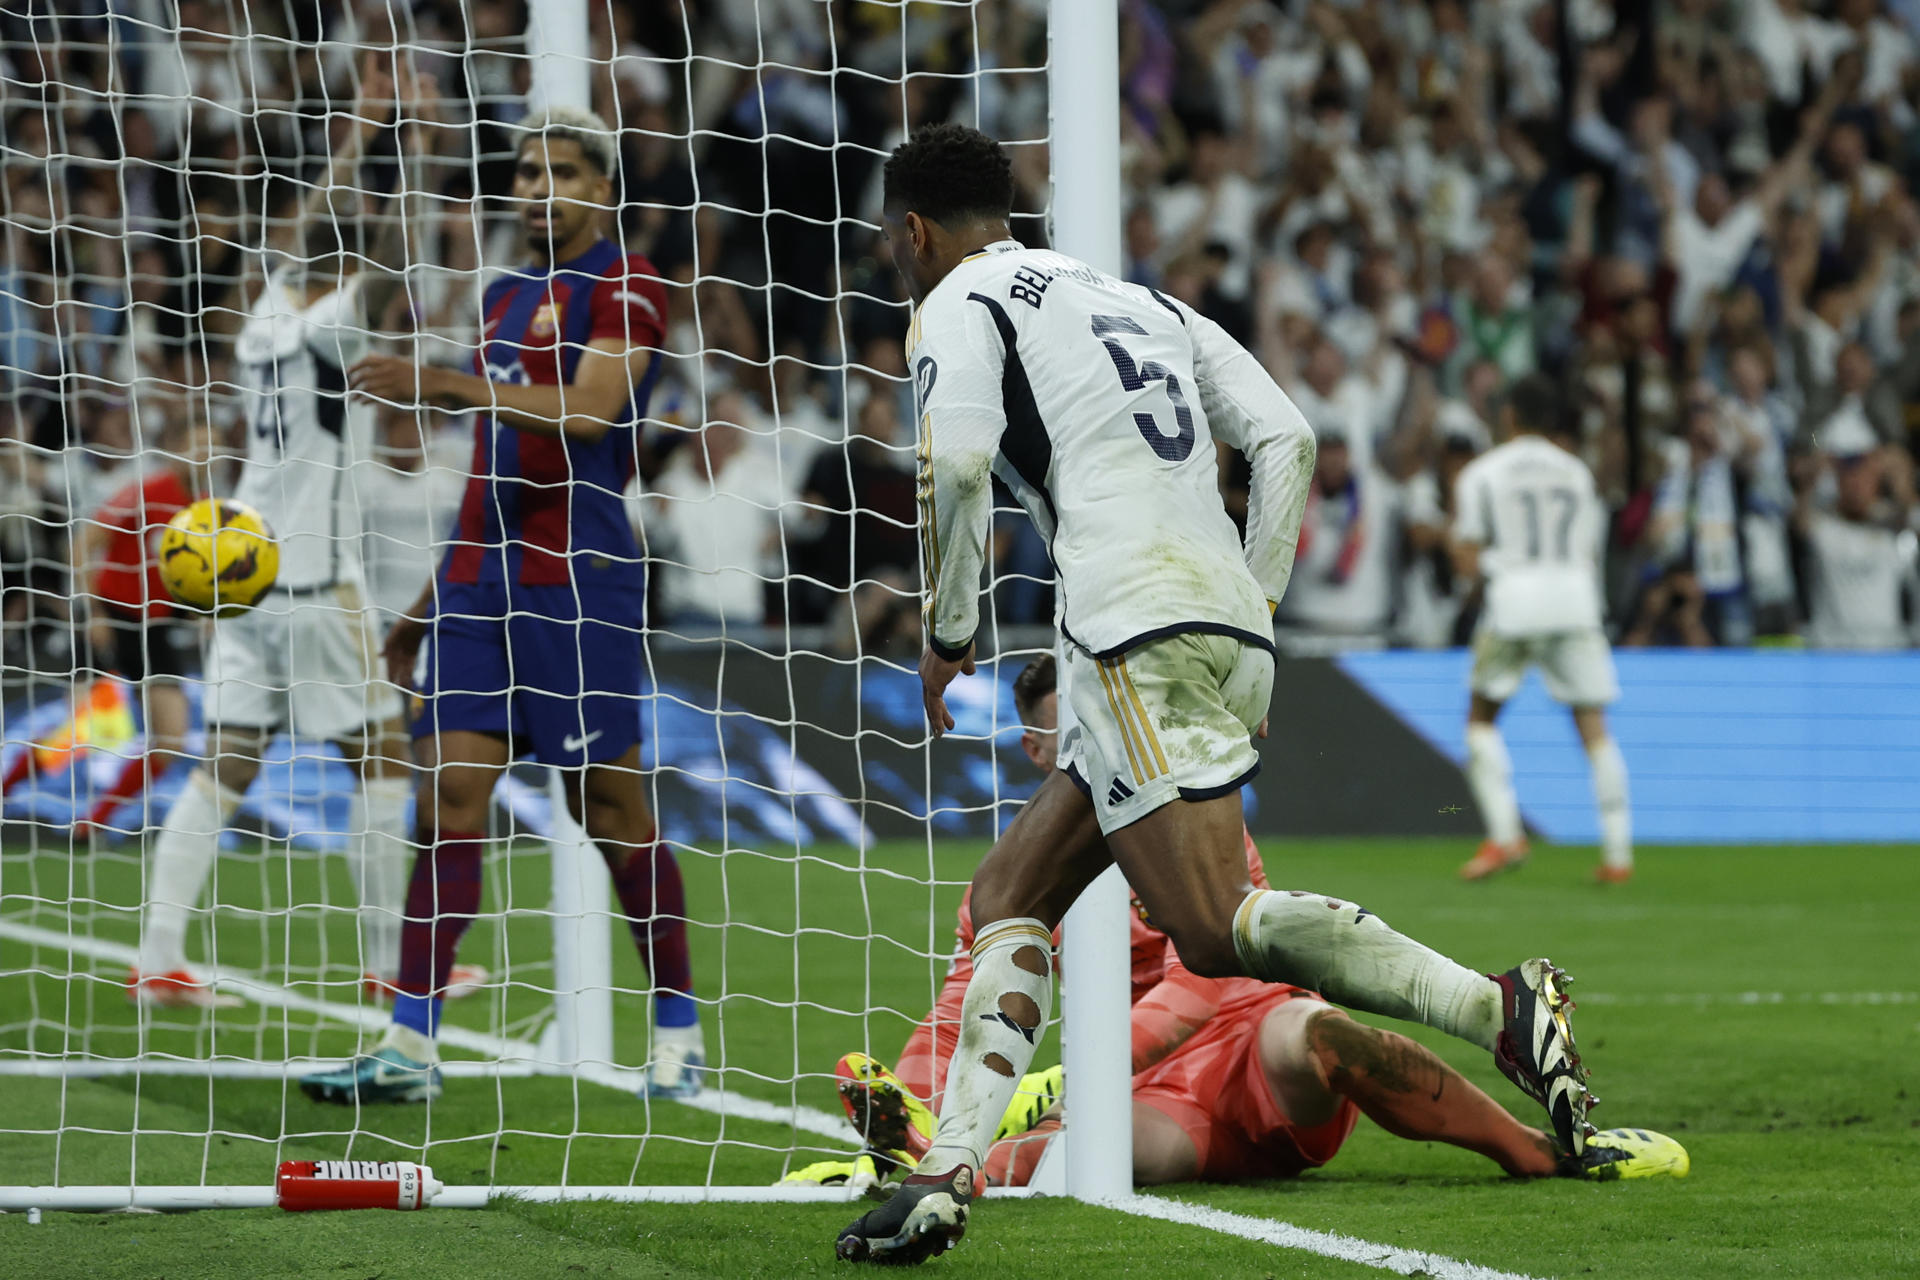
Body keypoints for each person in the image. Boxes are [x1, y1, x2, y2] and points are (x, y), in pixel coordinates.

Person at [837, 124, 1596, 1266]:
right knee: (1010, 892)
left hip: (1127, 617)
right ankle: (947, 1174)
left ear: (912, 231)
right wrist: (1258, 609)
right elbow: (1287, 437)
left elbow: (951, 465)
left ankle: (1498, 1006)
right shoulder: (1141, 301)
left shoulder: (955, 298)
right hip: (1224, 603)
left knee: (1212, 921)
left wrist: (947, 634)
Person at [798, 657, 1685, 1194]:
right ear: (1035, 751)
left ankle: (1534, 1152)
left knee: (1317, 1032)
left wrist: (1080, 1068)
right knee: (1071, 1160)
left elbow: (1208, 979)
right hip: (1159, 1099)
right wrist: (912, 1107)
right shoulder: (1017, 878)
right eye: (1067, 730)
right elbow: (965, 1004)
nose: (1092, 738)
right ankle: (918, 1168)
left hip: (1251, 1041)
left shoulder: (1192, 823)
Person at [299, 104, 702, 1105]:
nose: (539, 188)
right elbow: (487, 469)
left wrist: (442, 383)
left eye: (562, 171)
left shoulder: (629, 282)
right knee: (445, 804)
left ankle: (678, 1025)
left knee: (607, 809)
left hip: (580, 577)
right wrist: (431, 598)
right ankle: (408, 1044)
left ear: (600, 188)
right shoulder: (500, 296)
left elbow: (591, 410)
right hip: (484, 579)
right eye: (526, 172)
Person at [126, 59, 459, 1008]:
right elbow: (389, 267)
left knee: (226, 761)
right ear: (344, 277)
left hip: (238, 570)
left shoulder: (264, 320)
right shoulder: (330, 332)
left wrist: (363, 129)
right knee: (386, 757)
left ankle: (156, 958)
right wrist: (421, 157)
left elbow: (318, 232)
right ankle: (393, 967)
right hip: (312, 578)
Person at [1451, 374, 1633, 885]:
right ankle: (1618, 855)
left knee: (1481, 718)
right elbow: (1591, 548)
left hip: (1514, 602)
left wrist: (1479, 563)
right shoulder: (1577, 473)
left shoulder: (1483, 473)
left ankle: (1505, 836)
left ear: (1509, 416)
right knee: (1593, 726)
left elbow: (1467, 556)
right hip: (1575, 600)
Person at [50, 417, 209, 837]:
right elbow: (83, 544)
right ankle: (7, 790)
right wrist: (93, 613)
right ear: (176, 449)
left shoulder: (209, 510)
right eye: (198, 445)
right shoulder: (147, 492)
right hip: (112, 616)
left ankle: (93, 823)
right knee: (71, 731)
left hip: (154, 628)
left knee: (172, 739)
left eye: (214, 446)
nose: (207, 454)